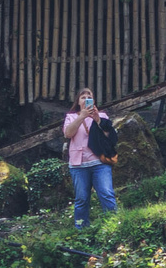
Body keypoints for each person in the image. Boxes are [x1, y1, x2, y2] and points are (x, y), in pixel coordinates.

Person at [60, 87, 116, 228]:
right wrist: (81, 117)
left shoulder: (102, 116)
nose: (86, 99)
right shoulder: (71, 117)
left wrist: (97, 120)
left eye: (88, 96)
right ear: (78, 101)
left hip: (99, 162)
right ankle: (81, 229)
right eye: (82, 97)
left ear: (93, 100)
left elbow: (111, 137)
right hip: (78, 165)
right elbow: (68, 134)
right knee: (81, 199)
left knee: (106, 194)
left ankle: (113, 225)